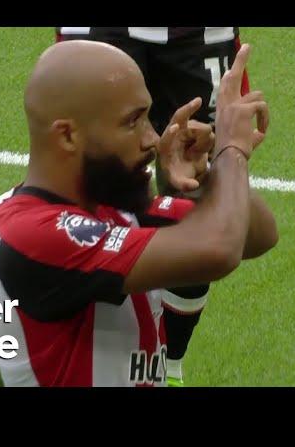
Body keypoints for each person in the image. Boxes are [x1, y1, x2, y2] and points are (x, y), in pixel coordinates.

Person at [0, 40, 277, 387]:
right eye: (132, 122)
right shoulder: (25, 234)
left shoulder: (114, 206)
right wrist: (231, 150)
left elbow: (258, 235)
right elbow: (220, 249)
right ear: (68, 135)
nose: (152, 139)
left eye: (148, 117)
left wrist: (205, 177)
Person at [56, 27, 250, 385]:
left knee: (196, 181)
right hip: (99, 32)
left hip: (195, 35)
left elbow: (250, 234)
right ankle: (75, 364)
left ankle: (168, 364)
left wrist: (232, 153)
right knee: (87, 190)